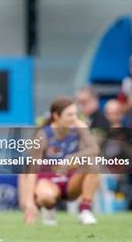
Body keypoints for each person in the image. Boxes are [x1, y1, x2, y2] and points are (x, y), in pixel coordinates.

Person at [23, 97, 100, 226]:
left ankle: (85, 211)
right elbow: (32, 169)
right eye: (69, 115)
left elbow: (94, 149)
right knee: (45, 196)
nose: (74, 118)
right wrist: (29, 202)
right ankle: (49, 209)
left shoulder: (78, 129)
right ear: (56, 116)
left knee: (93, 164)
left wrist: (73, 156)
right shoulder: (43, 134)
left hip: (71, 182)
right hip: (49, 181)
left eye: (75, 114)